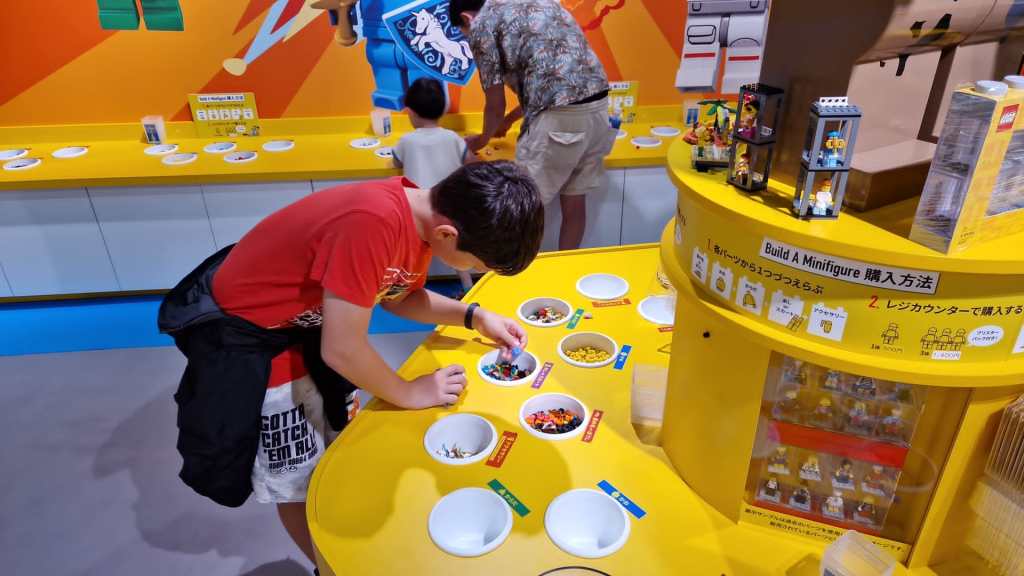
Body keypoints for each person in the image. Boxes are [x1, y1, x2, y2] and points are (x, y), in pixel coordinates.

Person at [158, 161, 544, 572]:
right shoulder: (372, 223)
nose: (469, 271)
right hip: (252, 337)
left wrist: (474, 316)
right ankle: (328, 567)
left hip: (307, 326)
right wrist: (410, 391)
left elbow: (399, 296)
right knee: (297, 479)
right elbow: (342, 349)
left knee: (339, 440)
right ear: (448, 234)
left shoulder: (422, 218)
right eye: (475, 265)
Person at [451, 0, 615, 250]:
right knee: (574, 201)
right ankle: (566, 266)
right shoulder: (538, 4)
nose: (467, 38)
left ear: (466, 18)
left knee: (520, 207)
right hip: (599, 111)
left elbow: (495, 103)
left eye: (464, 34)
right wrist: (508, 122)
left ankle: (517, 270)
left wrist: (482, 139)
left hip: (560, 120)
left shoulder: (482, 24)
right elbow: (550, 85)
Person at [393, 77, 475, 291]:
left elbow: (396, 162)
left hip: (418, 211)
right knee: (454, 248)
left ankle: (411, 290)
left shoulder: (407, 140)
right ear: (443, 109)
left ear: (410, 112)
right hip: (449, 206)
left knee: (417, 252)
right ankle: (468, 286)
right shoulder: (452, 137)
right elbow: (471, 161)